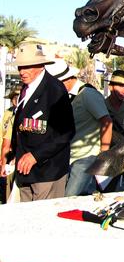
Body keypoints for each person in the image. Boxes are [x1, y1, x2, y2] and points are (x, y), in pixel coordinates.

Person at [10, 43, 74, 201]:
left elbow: (66, 132)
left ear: (41, 65)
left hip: (47, 171)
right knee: (27, 219)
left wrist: (35, 156)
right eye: (20, 67)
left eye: (28, 67)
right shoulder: (25, 89)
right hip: (26, 171)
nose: (22, 72)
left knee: (44, 220)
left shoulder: (54, 90)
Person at [46, 60, 113, 196]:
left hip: (86, 157)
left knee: (69, 198)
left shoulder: (87, 94)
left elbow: (107, 122)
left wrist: (103, 154)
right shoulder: (65, 97)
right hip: (69, 157)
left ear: (66, 80)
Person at [1, 86, 20, 203]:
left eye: (18, 97)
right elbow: (3, 135)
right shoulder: (8, 113)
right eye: (14, 97)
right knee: (7, 186)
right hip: (8, 154)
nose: (16, 99)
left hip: (18, 155)